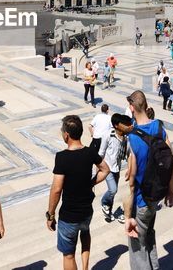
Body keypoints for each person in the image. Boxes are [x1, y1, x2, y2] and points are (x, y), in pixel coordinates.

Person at [114, 92, 173, 270]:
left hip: (142, 200)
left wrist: (127, 217)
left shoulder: (133, 137)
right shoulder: (159, 128)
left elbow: (132, 183)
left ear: (132, 108)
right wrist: (172, 191)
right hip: (157, 194)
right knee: (149, 235)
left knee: (137, 247)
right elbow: (171, 162)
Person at [46, 115, 109, 270]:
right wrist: (90, 183)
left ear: (66, 135)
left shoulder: (62, 157)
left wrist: (50, 214)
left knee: (68, 255)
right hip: (86, 211)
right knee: (85, 233)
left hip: (69, 216)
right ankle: (85, 267)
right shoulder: (89, 153)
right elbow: (105, 169)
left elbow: (56, 190)